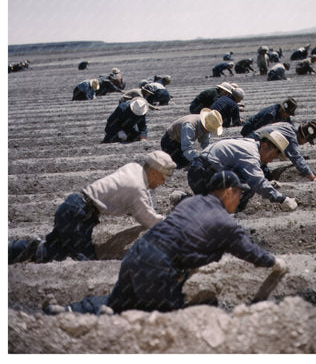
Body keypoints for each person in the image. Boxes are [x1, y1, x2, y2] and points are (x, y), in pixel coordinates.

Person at [43, 171, 288, 316]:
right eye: (239, 193)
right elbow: (248, 251)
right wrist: (275, 262)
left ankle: (68, 312)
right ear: (227, 192)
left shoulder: (191, 203)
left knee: (116, 303)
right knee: (165, 317)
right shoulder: (226, 222)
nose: (240, 198)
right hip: (157, 267)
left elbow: (185, 234)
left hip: (137, 255)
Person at [8, 151, 176, 264]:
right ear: (153, 173)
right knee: (85, 261)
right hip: (79, 216)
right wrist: (173, 223)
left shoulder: (133, 167)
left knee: (56, 251)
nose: (162, 183)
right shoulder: (137, 188)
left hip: (74, 207)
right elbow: (148, 218)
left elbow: (135, 198)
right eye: (162, 178)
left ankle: (16, 249)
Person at [187, 131, 298, 212]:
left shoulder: (249, 143)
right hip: (202, 174)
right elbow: (257, 183)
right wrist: (283, 199)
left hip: (200, 172)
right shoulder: (251, 154)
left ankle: (188, 201)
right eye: (272, 156)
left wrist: (268, 184)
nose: (270, 161)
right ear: (264, 146)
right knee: (244, 191)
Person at [247, 121, 316, 182]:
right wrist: (313, 178)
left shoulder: (288, 126)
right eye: (306, 141)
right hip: (255, 145)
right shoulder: (291, 138)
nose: (304, 144)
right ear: (304, 137)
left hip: (253, 140)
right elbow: (297, 159)